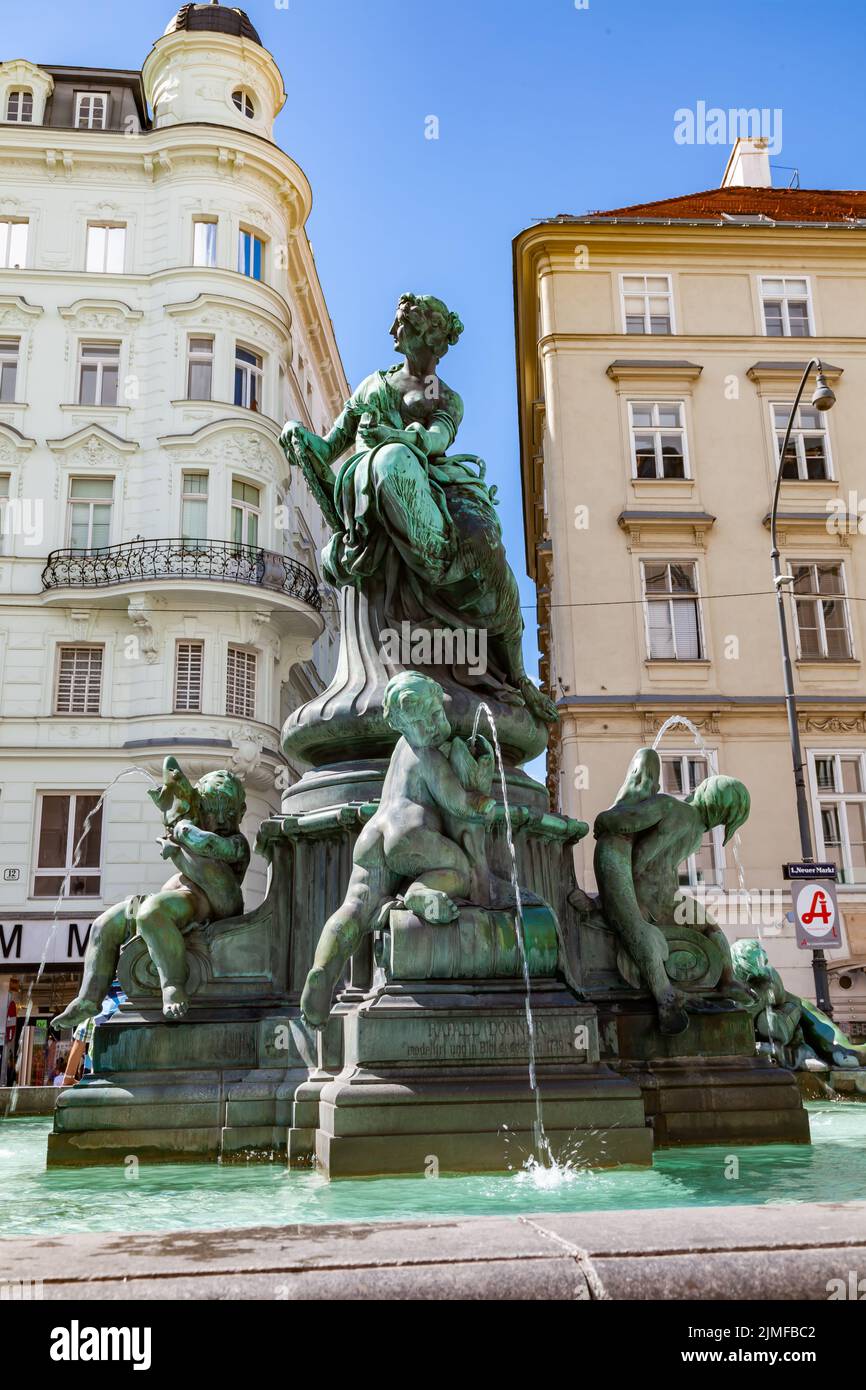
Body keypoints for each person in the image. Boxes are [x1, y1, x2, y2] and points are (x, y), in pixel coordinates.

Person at [280, 293, 557, 724]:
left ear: (431, 336)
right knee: (389, 462)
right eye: (396, 324)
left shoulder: (446, 396)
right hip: (374, 477)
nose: (394, 332)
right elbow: (330, 444)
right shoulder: (372, 386)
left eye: (404, 325)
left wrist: (409, 438)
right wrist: (298, 434)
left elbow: (438, 439)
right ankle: (429, 561)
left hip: (433, 478)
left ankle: (513, 670)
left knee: (484, 541)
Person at [52, 757, 249, 1028]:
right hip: (177, 896)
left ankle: (172, 984)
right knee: (103, 925)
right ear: (202, 810)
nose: (222, 819)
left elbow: (211, 846)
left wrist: (180, 828)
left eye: (230, 812)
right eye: (213, 811)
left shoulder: (236, 844)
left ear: (242, 812)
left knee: (150, 914)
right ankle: (89, 997)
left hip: (204, 903)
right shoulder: (189, 832)